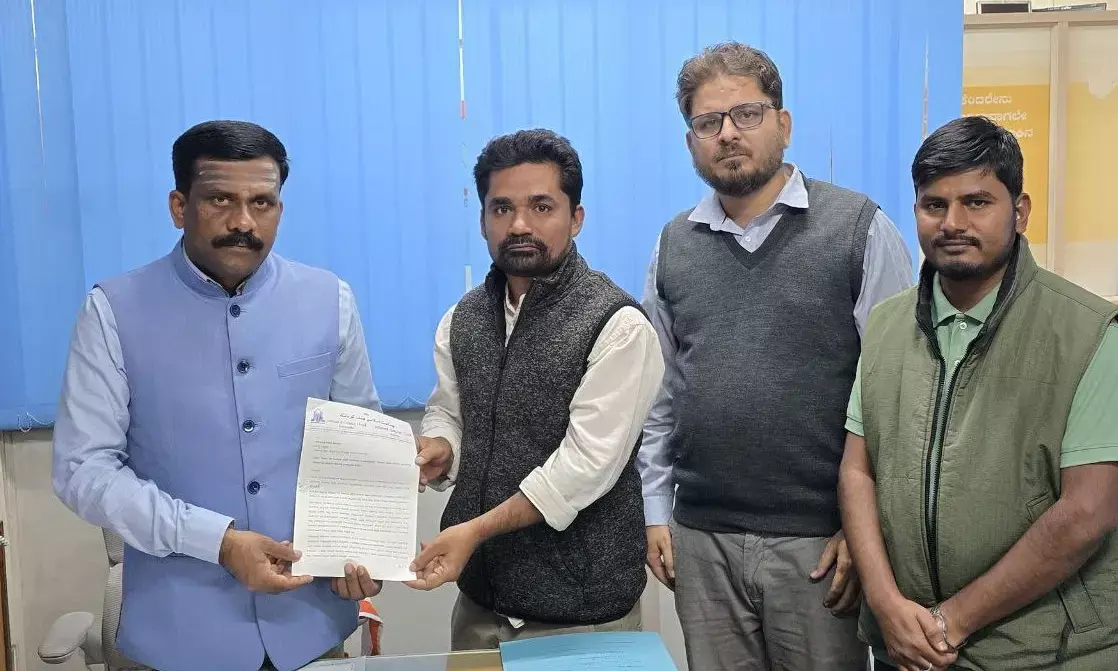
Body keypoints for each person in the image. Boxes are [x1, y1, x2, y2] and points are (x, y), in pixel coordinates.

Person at [52, 120, 384, 671]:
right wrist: (219, 541)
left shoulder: (330, 299)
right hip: (178, 635)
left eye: (262, 202)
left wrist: (367, 550)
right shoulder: (112, 311)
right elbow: (83, 470)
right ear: (179, 206)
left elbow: (360, 446)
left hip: (311, 624)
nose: (243, 222)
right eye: (220, 200)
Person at [637, 42, 915, 671]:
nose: (728, 133)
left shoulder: (859, 229)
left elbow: (897, 396)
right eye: (709, 122)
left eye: (747, 114)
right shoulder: (673, 244)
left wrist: (867, 532)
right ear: (691, 142)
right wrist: (656, 512)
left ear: (783, 124)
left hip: (821, 546)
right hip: (701, 538)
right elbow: (659, 395)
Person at [839, 115, 1118, 671]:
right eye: (934, 204)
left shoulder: (1089, 332)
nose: (953, 223)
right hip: (903, 645)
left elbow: (1088, 511)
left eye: (977, 202)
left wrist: (953, 621)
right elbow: (857, 471)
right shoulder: (887, 325)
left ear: (1020, 211)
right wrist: (886, 603)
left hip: (1045, 652)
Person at [403, 129, 665, 650]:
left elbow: (584, 469)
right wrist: (442, 446)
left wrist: (474, 531)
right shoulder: (462, 318)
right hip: (480, 605)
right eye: (502, 208)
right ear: (483, 220)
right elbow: (449, 411)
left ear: (576, 218)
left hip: (583, 615)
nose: (519, 224)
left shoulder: (619, 325)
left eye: (541, 207)